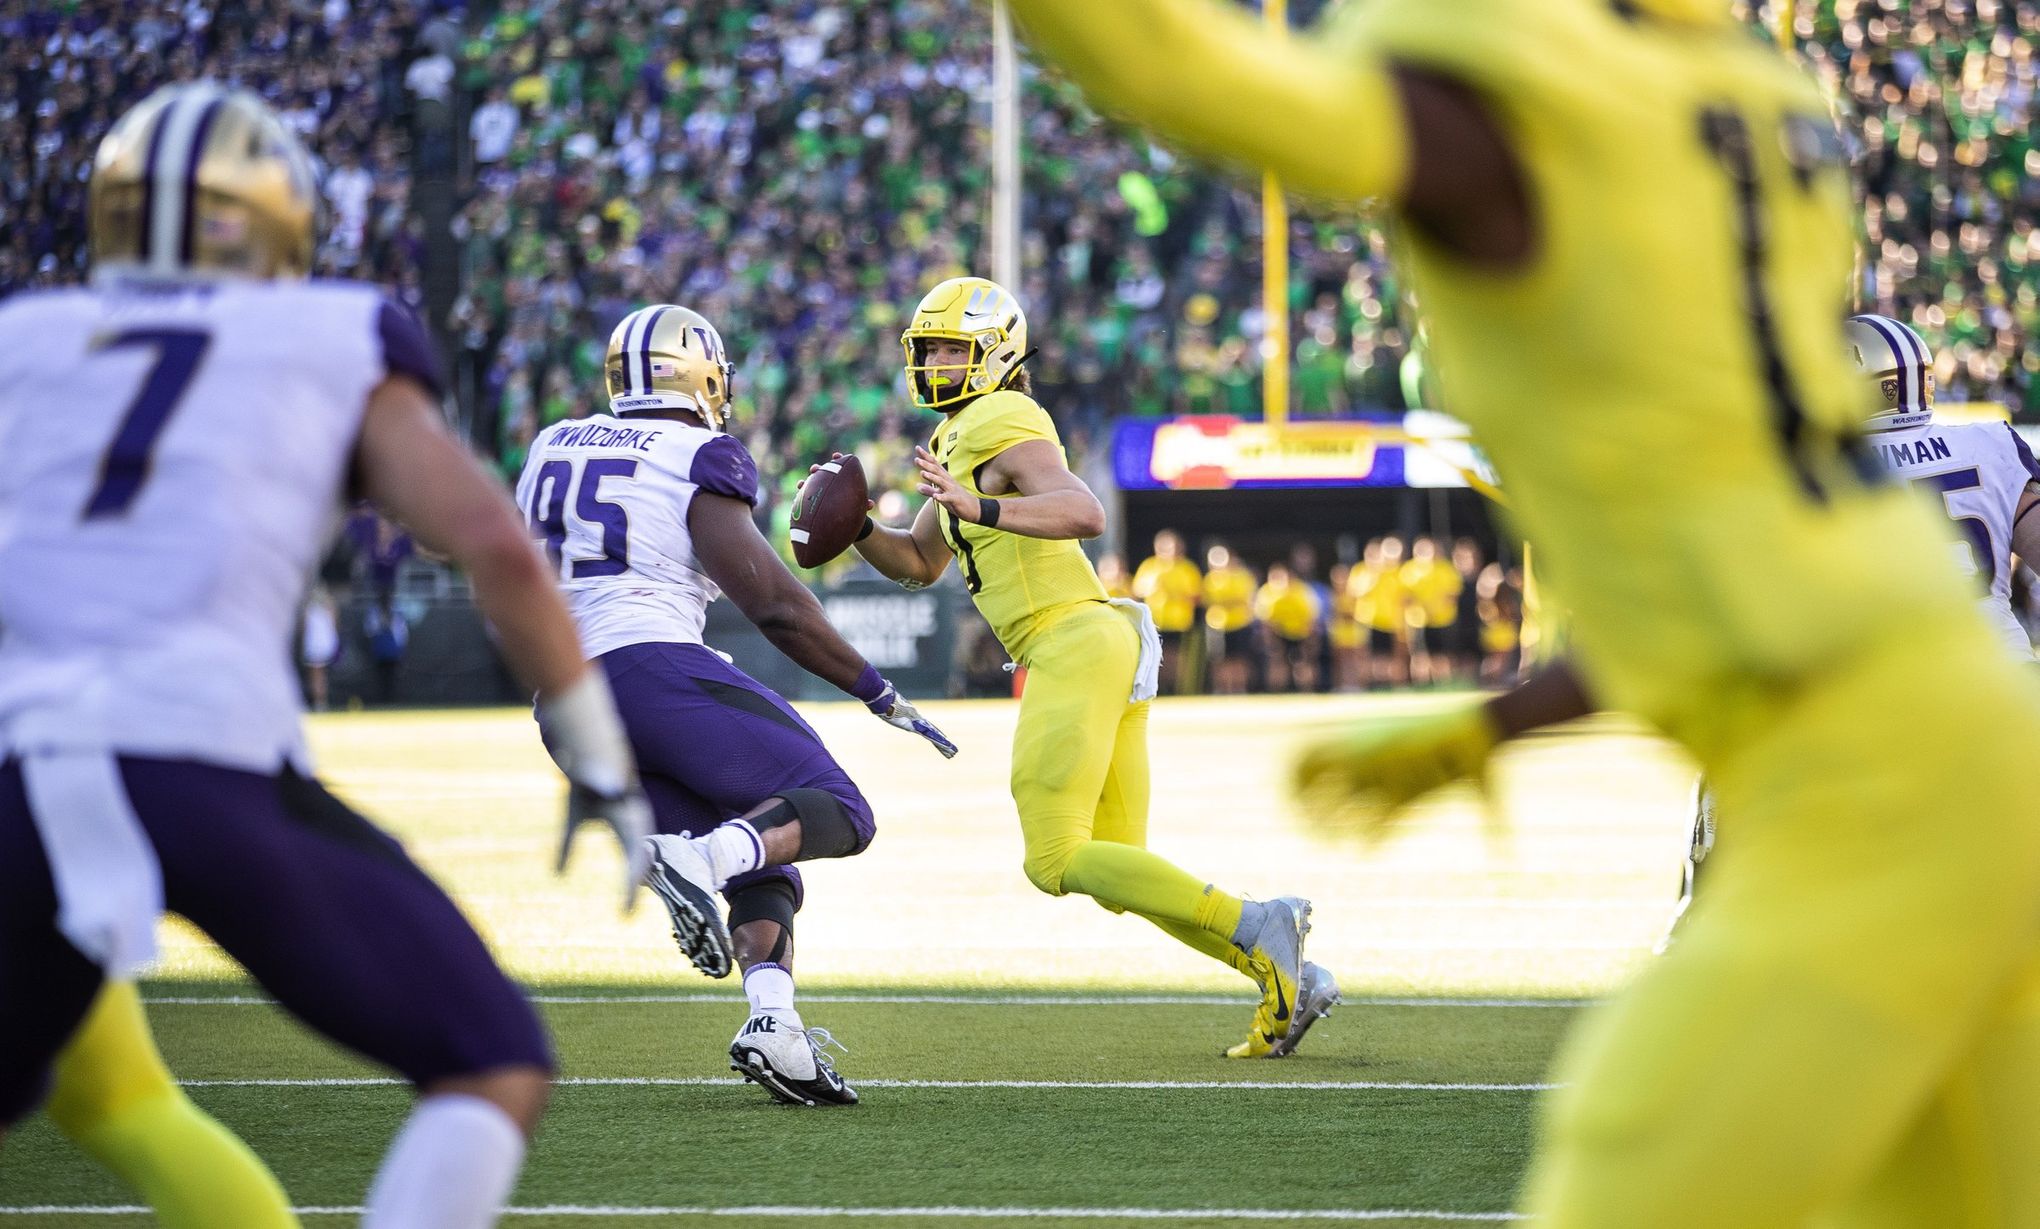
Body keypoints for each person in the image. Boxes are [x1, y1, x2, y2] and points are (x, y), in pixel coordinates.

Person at [1009, 2, 2040, 1223]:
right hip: (1987, 753)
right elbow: (1780, 583)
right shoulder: (1759, 92)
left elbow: (1168, 61)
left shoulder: (1521, 105)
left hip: (1849, 794)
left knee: (1632, 1182)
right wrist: (1499, 729)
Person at [0, 83, 651, 1229]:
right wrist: (602, 764)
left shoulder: (24, 335)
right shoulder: (331, 329)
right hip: (207, 761)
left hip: (19, 775)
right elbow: (497, 542)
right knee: (489, 1056)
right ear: (280, 219)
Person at [851, 276, 1337, 1059]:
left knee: (1053, 858)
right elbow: (918, 560)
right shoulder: (959, 437)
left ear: (995, 354)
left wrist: (978, 507)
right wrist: (855, 526)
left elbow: (1084, 510)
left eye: (952, 347)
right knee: (1118, 869)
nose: (937, 361)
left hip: (1071, 638)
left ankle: (1261, 925)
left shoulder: (998, 414)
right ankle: (1291, 972)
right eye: (929, 348)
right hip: (1095, 639)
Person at [516, 304, 956, 1107]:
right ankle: (695, 861)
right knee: (840, 808)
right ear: (701, 375)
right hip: (645, 669)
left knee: (759, 838)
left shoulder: (551, 442)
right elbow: (777, 605)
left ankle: (773, 1024)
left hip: (561, 703)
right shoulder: (697, 451)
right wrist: (876, 689)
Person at [1130, 529, 1201, 694]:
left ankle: (1176, 688)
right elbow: (1137, 591)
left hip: (1179, 622)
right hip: (1154, 620)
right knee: (1154, 655)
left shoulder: (1187, 568)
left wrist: (1176, 594)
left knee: (1176, 656)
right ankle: (1158, 687)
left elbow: (1197, 596)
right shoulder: (1149, 566)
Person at [1254, 562, 1322, 693]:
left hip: (1300, 633)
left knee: (1303, 662)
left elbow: (1312, 617)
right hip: (1277, 633)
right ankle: (1277, 691)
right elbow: (1264, 620)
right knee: (1277, 662)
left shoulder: (1302, 591)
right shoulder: (1267, 593)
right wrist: (1270, 639)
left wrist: (1310, 638)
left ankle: (1307, 691)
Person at [1200, 543, 1256, 695]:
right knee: (1219, 660)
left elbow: (1245, 600)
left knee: (1239, 659)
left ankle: (1239, 688)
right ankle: (1222, 689)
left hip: (1240, 623)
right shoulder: (1210, 580)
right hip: (1217, 625)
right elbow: (1206, 600)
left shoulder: (1242, 577)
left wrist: (1225, 602)